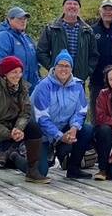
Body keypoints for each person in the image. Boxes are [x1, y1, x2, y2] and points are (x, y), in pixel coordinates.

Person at [30, 49, 94, 179]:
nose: (63, 69)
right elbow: (41, 118)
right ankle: (16, 156)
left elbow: (81, 111)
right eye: (60, 65)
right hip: (42, 133)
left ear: (71, 68)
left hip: (64, 129)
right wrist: (59, 136)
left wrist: (74, 128)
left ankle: (73, 168)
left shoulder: (77, 85)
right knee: (41, 172)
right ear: (55, 66)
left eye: (67, 66)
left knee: (87, 129)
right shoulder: (44, 86)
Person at [37, 0, 99, 83]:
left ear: (79, 8)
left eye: (75, 4)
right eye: (69, 3)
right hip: (56, 78)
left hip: (79, 79)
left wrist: (87, 71)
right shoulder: (51, 28)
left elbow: (94, 55)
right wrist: (53, 67)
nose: (72, 6)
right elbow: (41, 51)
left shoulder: (88, 30)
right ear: (63, 7)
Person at [0, 6, 40, 91]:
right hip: (12, 90)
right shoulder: (3, 37)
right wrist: (13, 86)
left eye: (25, 19)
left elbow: (36, 65)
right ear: (9, 19)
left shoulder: (27, 38)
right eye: (19, 18)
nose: (23, 21)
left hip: (31, 90)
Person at [90, 0, 112, 124]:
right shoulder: (91, 30)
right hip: (97, 81)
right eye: (105, 9)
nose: (108, 12)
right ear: (100, 11)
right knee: (97, 119)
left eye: (111, 9)